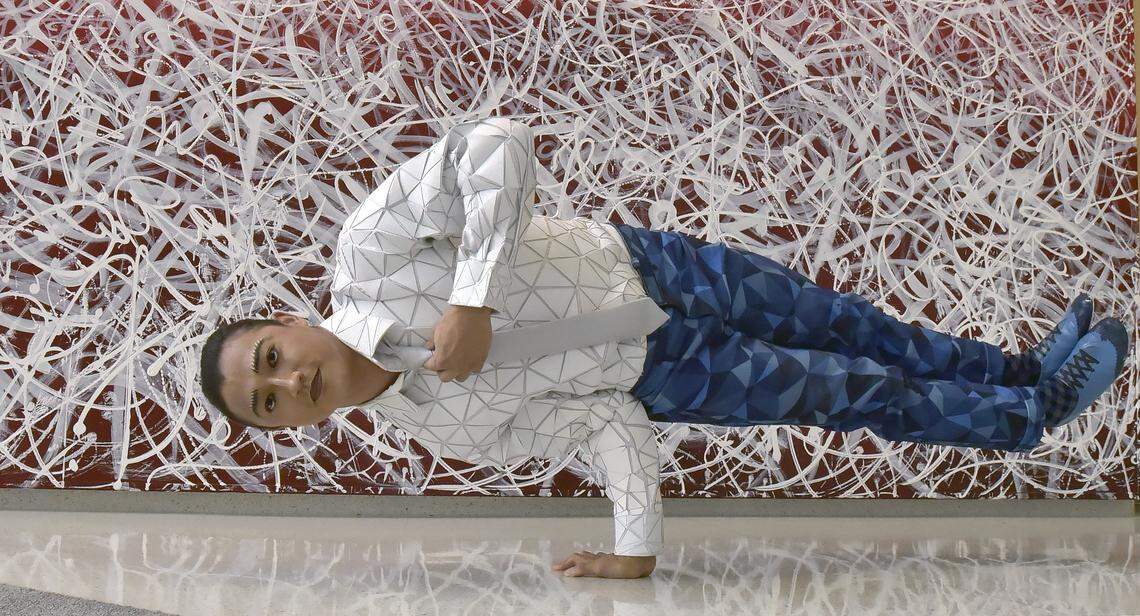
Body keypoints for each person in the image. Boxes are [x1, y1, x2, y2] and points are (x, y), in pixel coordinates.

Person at [197, 117, 1129, 580]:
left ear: (285, 324)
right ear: (288, 428)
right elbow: (602, 422)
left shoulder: (368, 252)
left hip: (651, 266)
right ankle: (1029, 416)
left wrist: (471, 300)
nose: (290, 381)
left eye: (269, 359)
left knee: (860, 328)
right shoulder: (447, 429)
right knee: (851, 389)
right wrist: (635, 546)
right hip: (668, 370)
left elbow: (497, 144)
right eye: (267, 402)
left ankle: (1023, 374)